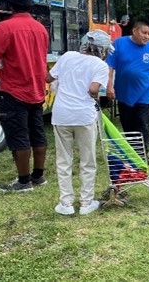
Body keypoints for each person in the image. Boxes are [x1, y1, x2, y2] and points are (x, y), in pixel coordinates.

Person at [0, 0, 49, 193]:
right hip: (36, 90)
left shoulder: (5, 28)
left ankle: (23, 181)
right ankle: (38, 176)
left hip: (14, 90)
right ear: (29, 6)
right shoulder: (41, 29)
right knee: (37, 132)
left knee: (19, 135)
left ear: (10, 6)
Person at [46, 30, 110, 216]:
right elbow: (93, 90)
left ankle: (65, 203)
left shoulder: (67, 56)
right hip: (84, 116)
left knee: (63, 159)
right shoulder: (100, 65)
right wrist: (93, 93)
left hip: (61, 115)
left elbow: (48, 78)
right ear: (101, 49)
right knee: (87, 160)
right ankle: (86, 202)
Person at [106, 19, 149, 161]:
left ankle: (142, 155)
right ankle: (131, 153)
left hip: (144, 95)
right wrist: (109, 86)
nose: (147, 36)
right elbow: (109, 67)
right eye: (144, 33)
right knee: (128, 126)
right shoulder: (119, 44)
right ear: (134, 31)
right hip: (123, 94)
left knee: (142, 125)